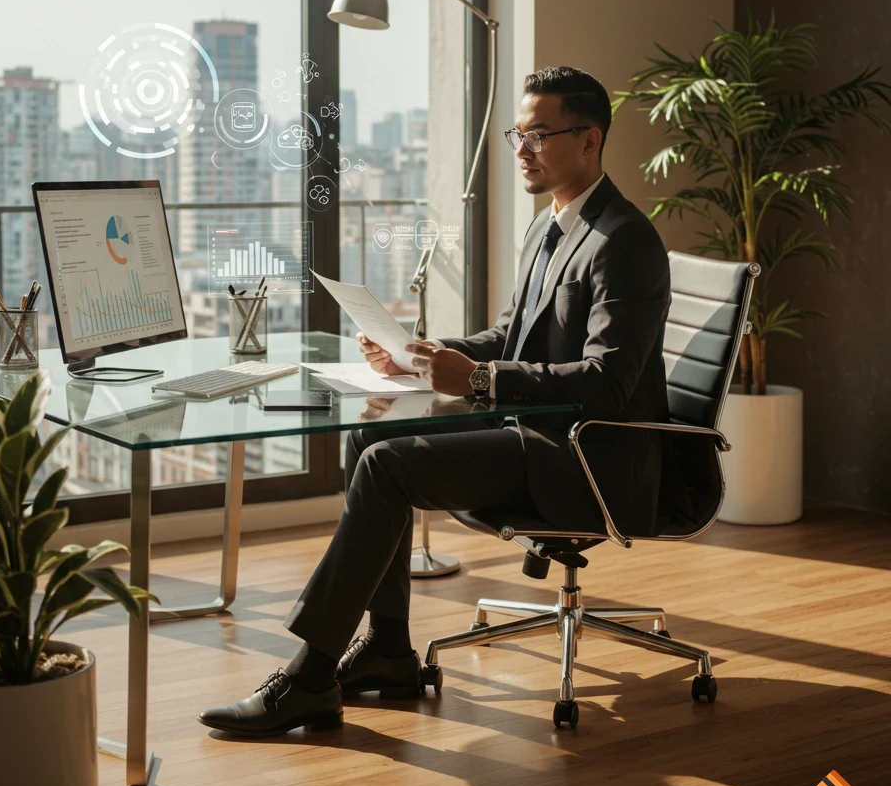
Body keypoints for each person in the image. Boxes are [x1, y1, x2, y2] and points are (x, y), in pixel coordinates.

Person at [199, 65, 671, 736]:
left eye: (538, 134)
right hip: (533, 434)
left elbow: (606, 383)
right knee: (371, 440)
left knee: (390, 465)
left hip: (586, 458)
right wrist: (423, 353)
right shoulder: (550, 226)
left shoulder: (625, 241)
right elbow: (513, 335)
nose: (521, 148)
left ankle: (308, 676)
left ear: (589, 140)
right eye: (518, 132)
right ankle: (390, 650)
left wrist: (478, 380)